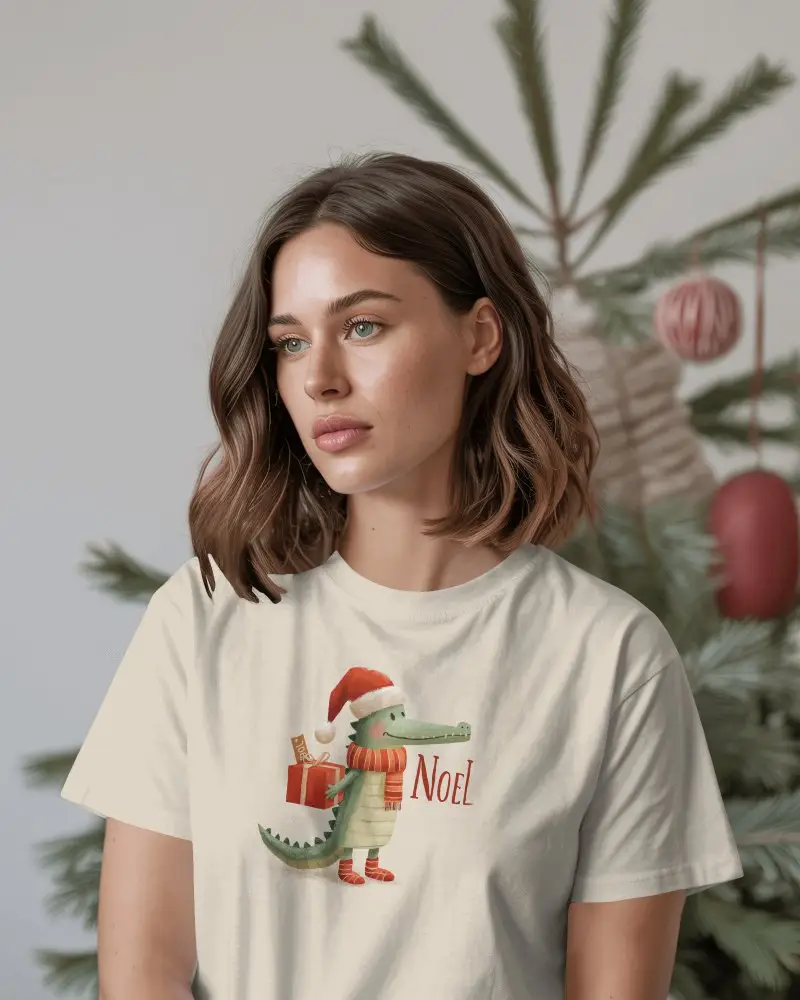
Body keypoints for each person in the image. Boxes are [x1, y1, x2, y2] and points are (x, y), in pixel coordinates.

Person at [61, 151, 742, 1000]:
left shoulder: (610, 658)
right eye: (290, 342)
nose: (319, 379)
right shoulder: (202, 619)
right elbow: (142, 976)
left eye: (363, 327)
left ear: (480, 336)